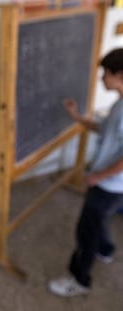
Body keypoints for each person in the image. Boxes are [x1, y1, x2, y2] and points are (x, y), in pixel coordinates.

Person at [48, 48, 123, 297]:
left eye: (106, 74)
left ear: (120, 75)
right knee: (101, 218)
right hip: (113, 185)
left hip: (110, 183)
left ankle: (79, 280)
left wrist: (98, 177)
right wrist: (77, 117)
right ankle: (106, 249)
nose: (102, 78)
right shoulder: (119, 103)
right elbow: (105, 129)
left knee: (86, 230)